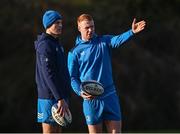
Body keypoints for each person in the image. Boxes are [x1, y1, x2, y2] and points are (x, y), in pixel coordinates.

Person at [68, 14, 146, 133]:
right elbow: (72, 78)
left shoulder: (104, 41)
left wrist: (132, 32)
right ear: (79, 28)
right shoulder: (74, 52)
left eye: (92, 27)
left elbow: (118, 40)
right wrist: (80, 92)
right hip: (91, 100)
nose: (90, 30)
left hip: (110, 95)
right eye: (87, 28)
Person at [34, 10, 71, 133]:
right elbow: (47, 74)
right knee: (49, 131)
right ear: (48, 25)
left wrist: (63, 96)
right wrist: (59, 98)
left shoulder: (57, 44)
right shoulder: (45, 45)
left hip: (60, 96)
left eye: (61, 22)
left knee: (58, 130)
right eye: (56, 23)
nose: (60, 25)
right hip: (49, 97)